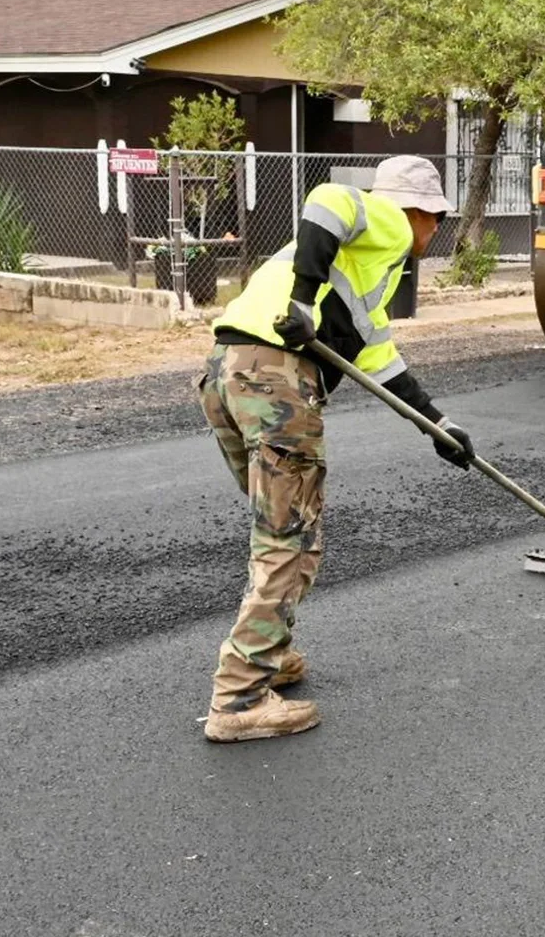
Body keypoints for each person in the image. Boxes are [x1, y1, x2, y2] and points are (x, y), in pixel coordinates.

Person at [196, 155, 478, 743]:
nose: (435, 230)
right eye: (436, 218)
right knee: (289, 539)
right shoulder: (387, 223)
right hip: (276, 379)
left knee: (287, 531)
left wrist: (438, 426)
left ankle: (268, 651)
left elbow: (381, 363)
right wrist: (302, 301)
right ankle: (240, 697)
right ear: (418, 211)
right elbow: (329, 198)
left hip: (227, 374)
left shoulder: (360, 273)